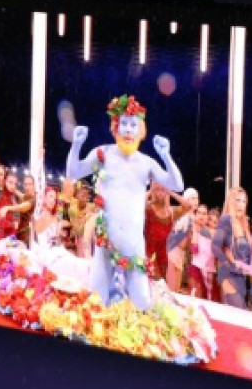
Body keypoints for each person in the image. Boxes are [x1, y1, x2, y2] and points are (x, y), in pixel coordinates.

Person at [63, 95, 184, 311]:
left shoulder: (146, 163)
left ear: (141, 130)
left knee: (141, 304)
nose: (128, 130)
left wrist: (166, 156)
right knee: (96, 302)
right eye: (124, 124)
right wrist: (76, 145)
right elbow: (73, 171)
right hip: (105, 242)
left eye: (133, 125)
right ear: (115, 127)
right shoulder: (104, 154)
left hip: (134, 245)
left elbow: (177, 184)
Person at [213, 187, 252, 309]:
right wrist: (227, 262)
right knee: (239, 313)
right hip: (228, 274)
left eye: (244, 201)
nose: (241, 205)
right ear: (231, 201)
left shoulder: (244, 224)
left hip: (241, 276)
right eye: (237, 200)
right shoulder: (226, 220)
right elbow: (215, 246)